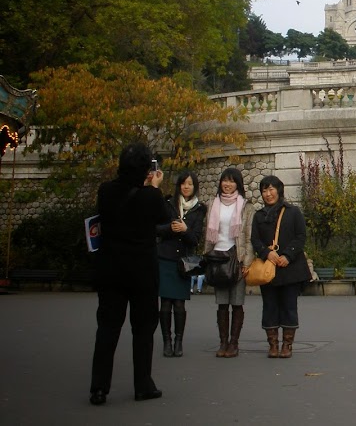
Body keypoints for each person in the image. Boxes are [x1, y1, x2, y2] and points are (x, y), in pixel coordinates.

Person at [89, 143, 169, 406]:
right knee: (143, 330)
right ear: (147, 169)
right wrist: (154, 187)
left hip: (111, 270)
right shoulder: (151, 196)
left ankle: (99, 388)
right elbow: (163, 218)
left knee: (108, 328)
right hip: (142, 272)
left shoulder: (106, 191)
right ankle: (142, 384)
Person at [250, 175, 312, 358]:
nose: (268, 194)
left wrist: (288, 255)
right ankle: (272, 344)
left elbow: (301, 236)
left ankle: (287, 345)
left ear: (279, 190)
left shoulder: (293, 212)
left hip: (289, 269)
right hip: (269, 268)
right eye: (264, 190)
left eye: (271, 189)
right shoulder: (259, 216)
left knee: (289, 306)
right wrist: (266, 253)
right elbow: (255, 239)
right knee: (269, 306)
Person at [203, 167, 259, 358]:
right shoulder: (213, 204)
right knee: (221, 303)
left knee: (236, 302)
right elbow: (207, 235)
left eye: (231, 181)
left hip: (237, 257)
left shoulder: (246, 207)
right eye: (224, 180)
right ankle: (223, 342)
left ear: (238, 184)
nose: (227, 184)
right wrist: (206, 255)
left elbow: (250, 236)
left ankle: (234, 343)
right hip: (217, 257)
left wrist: (247, 262)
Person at [156, 171, 207, 358]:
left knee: (179, 305)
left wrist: (185, 230)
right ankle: (166, 341)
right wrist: (170, 228)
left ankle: (178, 341)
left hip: (183, 263)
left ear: (195, 187)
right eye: (183, 183)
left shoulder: (199, 209)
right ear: (178, 186)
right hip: (165, 258)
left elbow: (195, 240)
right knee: (165, 304)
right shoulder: (168, 204)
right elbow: (157, 229)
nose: (186, 187)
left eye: (190, 184)